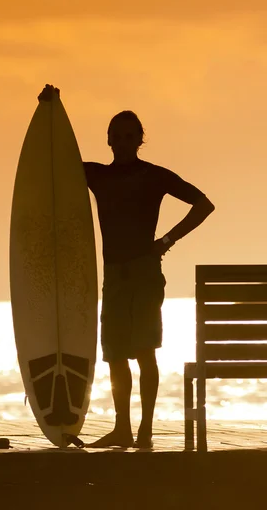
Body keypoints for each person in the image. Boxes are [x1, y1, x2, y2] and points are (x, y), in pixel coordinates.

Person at [38, 84, 215, 449]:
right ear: (108, 140)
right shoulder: (97, 175)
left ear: (139, 140)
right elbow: (52, 158)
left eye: (128, 136)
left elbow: (203, 204)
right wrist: (50, 110)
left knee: (144, 352)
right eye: (115, 136)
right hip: (115, 276)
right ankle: (123, 428)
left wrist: (166, 242)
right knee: (117, 353)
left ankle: (145, 429)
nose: (121, 141)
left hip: (145, 274)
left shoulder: (154, 175)